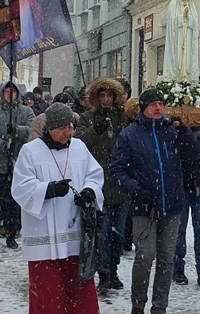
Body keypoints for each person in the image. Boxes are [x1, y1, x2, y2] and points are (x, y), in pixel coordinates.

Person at [111, 89, 200, 314]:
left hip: (172, 205)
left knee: (166, 258)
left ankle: (160, 306)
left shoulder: (172, 131)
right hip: (145, 207)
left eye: (161, 103)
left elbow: (194, 155)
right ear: (143, 108)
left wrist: (186, 131)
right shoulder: (130, 135)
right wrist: (137, 190)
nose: (158, 108)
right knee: (144, 256)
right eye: (153, 104)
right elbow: (118, 171)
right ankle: (138, 304)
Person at [11, 103, 104, 314]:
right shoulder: (30, 151)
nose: (67, 132)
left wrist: (90, 191)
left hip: (75, 233)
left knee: (79, 290)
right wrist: (48, 190)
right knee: (48, 294)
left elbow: (95, 174)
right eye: (61, 128)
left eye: (70, 127)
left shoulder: (79, 147)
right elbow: (19, 187)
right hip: (44, 234)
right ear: (49, 128)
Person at [74, 78, 130, 292]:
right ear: (96, 98)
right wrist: (95, 130)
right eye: (102, 96)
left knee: (118, 234)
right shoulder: (87, 118)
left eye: (109, 96)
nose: (106, 99)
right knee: (102, 233)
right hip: (97, 184)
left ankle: (113, 270)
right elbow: (78, 143)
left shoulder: (124, 118)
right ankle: (104, 273)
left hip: (120, 184)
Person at [0, 81, 34, 253]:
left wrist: (17, 130)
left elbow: (32, 129)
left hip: (18, 164)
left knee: (14, 203)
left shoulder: (26, 112)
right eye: (6, 92)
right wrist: (2, 143)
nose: (9, 95)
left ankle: (12, 235)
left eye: (13, 92)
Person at [173, 121, 200, 289]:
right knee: (180, 228)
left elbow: (199, 145)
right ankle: (178, 267)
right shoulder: (175, 129)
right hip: (182, 184)